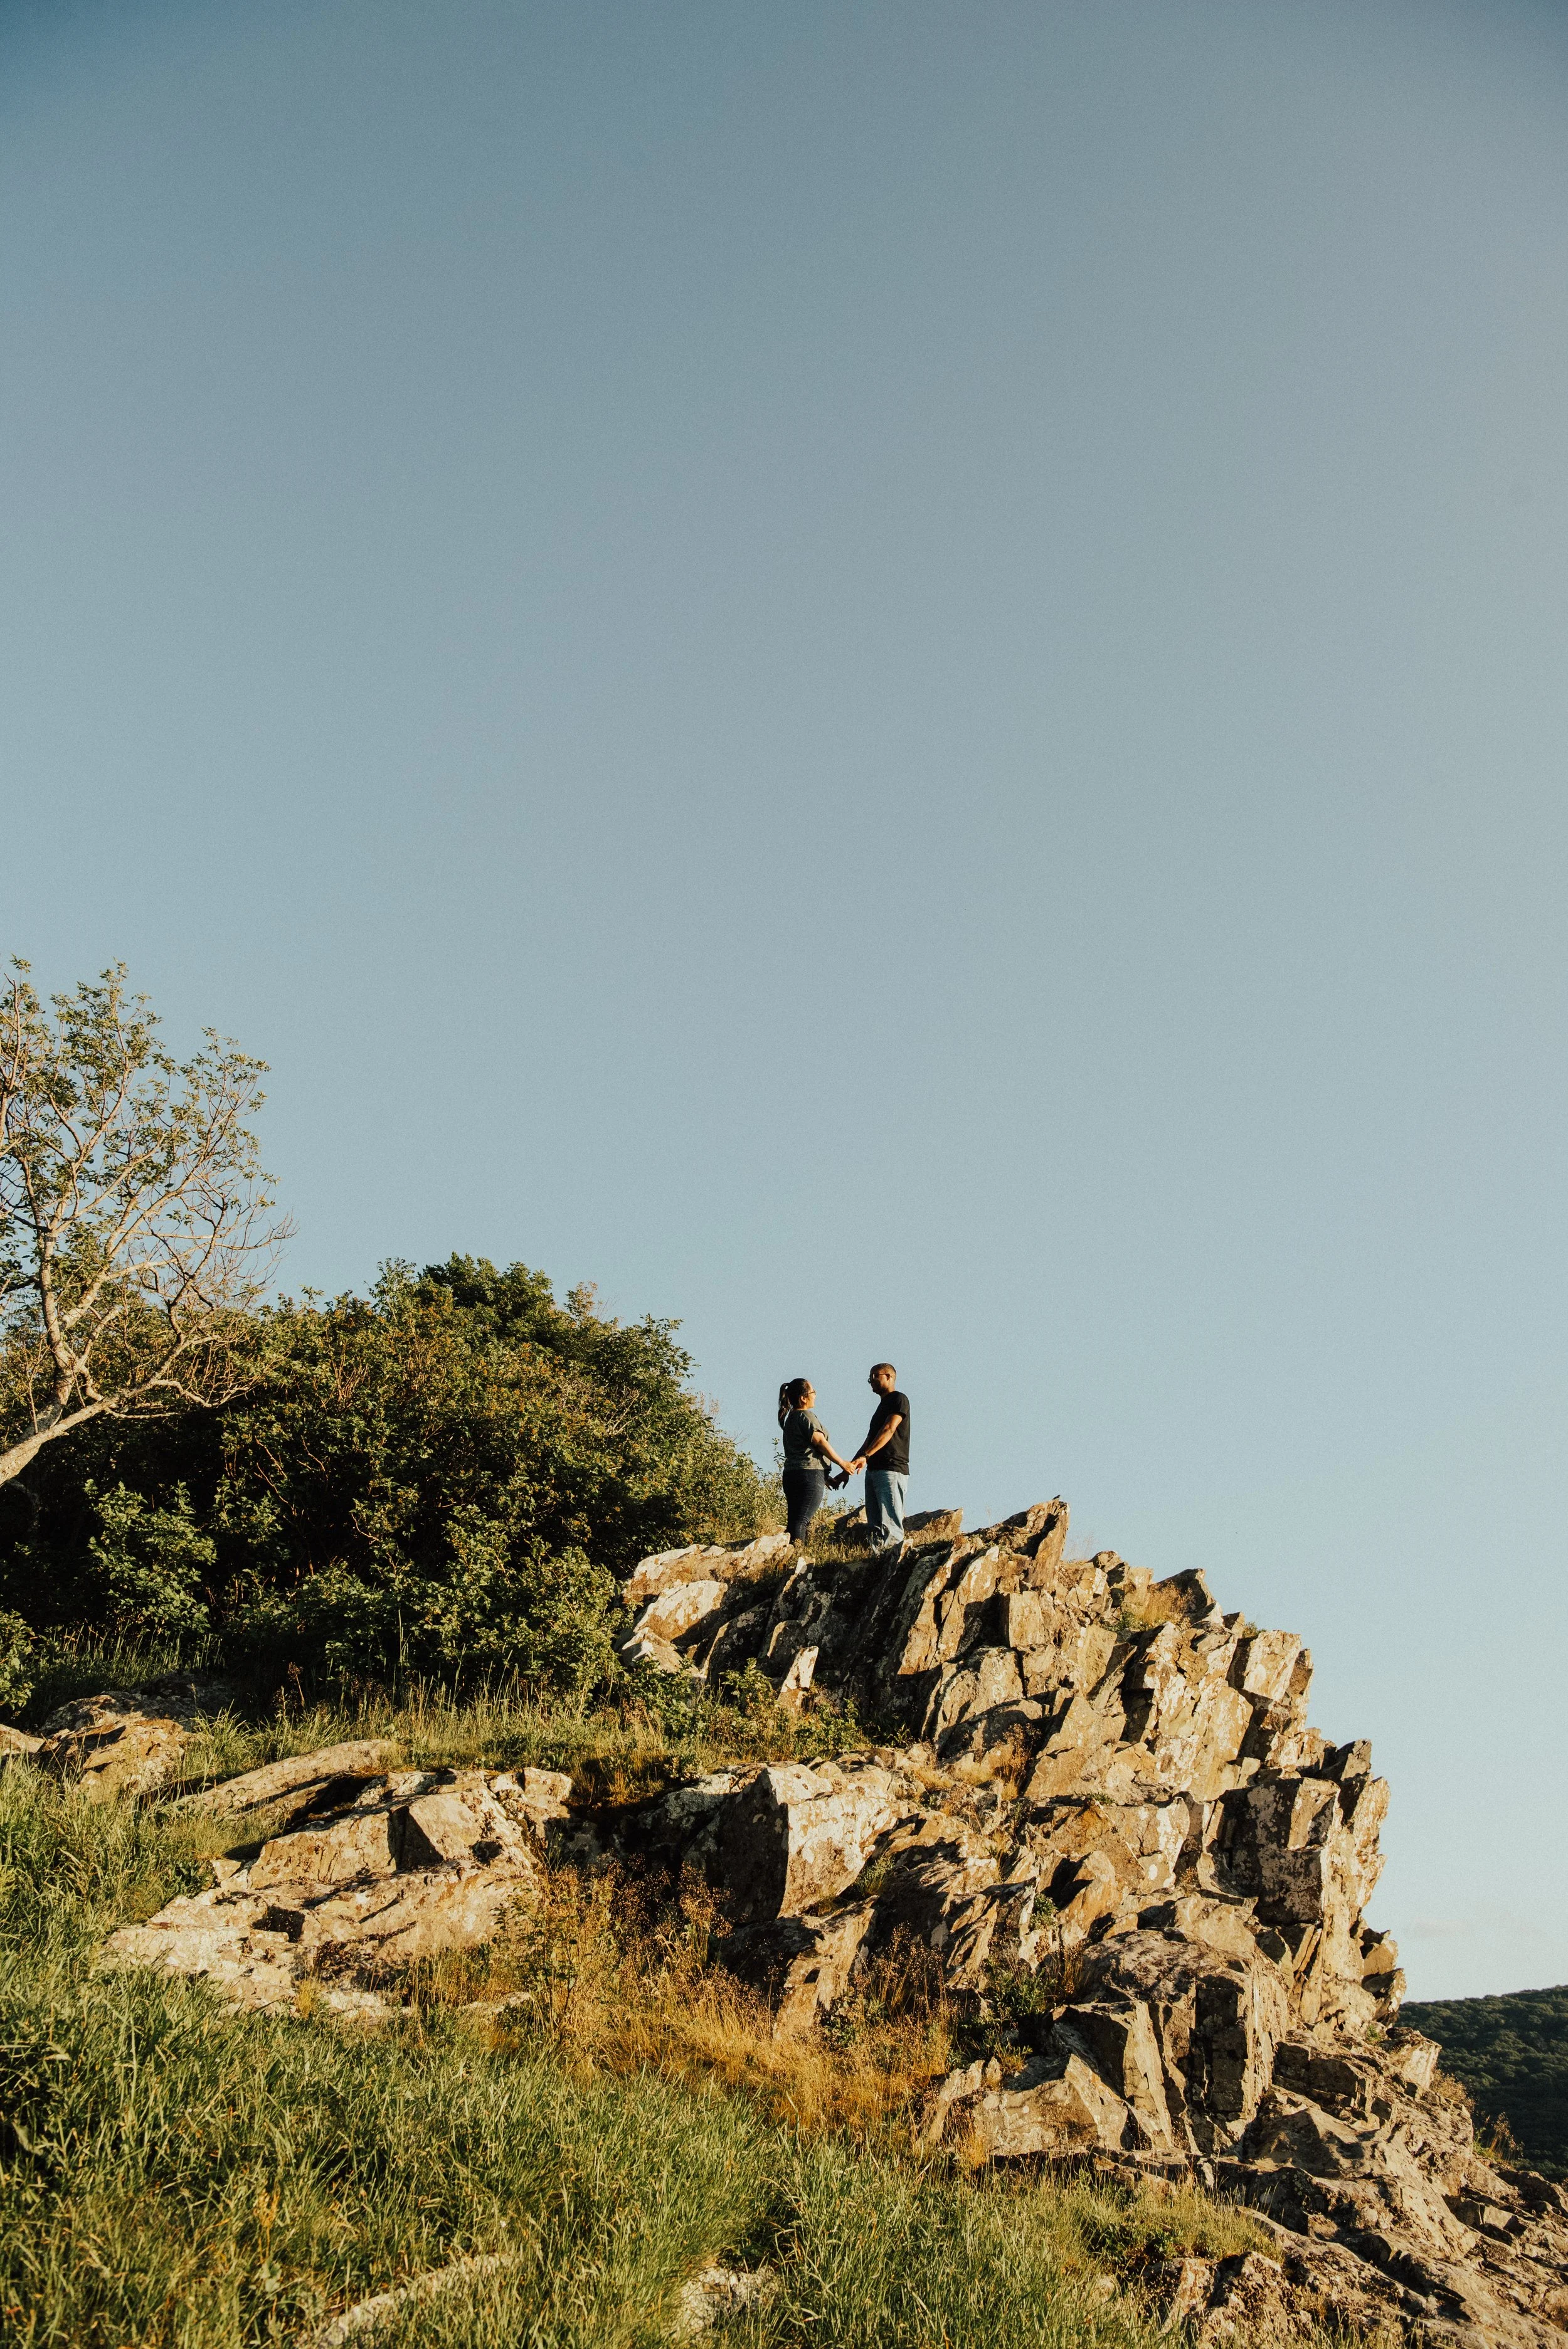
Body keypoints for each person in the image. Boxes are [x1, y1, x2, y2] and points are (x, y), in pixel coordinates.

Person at [776, 1378, 855, 1549]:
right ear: (803, 1398)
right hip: (809, 1475)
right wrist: (843, 1463)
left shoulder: (791, 1419)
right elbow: (819, 1442)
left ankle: (786, 1556)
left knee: (795, 1521)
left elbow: (803, 1451)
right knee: (802, 1520)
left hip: (792, 1475)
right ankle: (795, 1557)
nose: (815, 1396)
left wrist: (827, 1479)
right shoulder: (806, 1416)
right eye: (813, 1393)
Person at [847, 1362, 911, 1558]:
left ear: (889, 1377)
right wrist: (847, 1468)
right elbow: (870, 1440)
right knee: (875, 1526)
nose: (872, 1381)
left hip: (891, 1469)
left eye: (876, 1376)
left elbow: (889, 1429)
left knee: (890, 1524)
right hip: (874, 1470)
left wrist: (866, 1457)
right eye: (870, 1378)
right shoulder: (881, 1407)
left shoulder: (899, 1399)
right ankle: (876, 1564)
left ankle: (894, 1567)